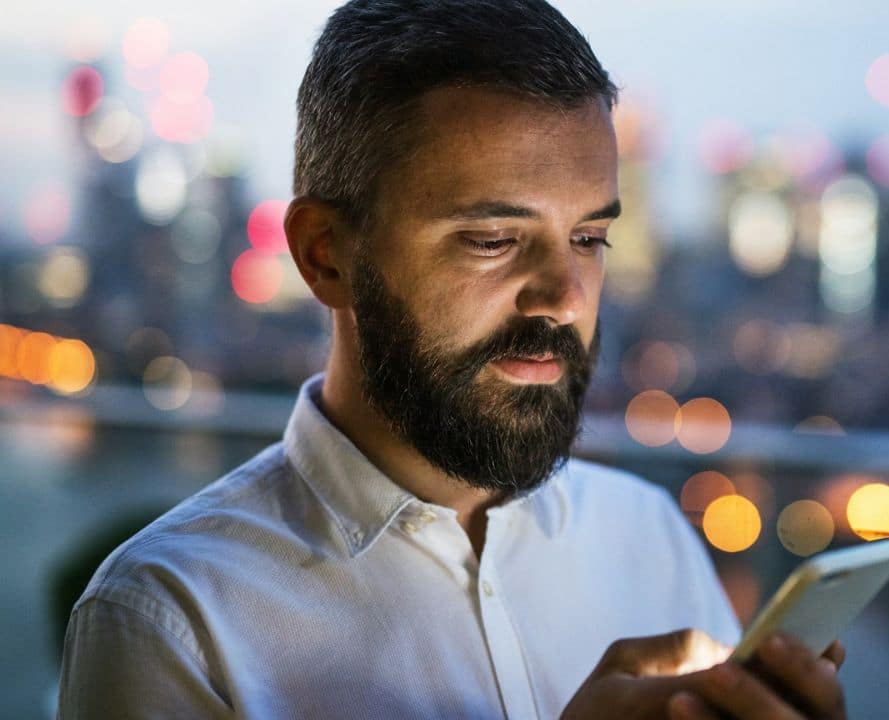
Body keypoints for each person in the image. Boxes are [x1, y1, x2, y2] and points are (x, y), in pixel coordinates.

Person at [58, 1, 848, 717]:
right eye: (493, 240)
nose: (565, 298)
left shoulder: (652, 540)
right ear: (324, 255)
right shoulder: (173, 622)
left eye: (589, 239)